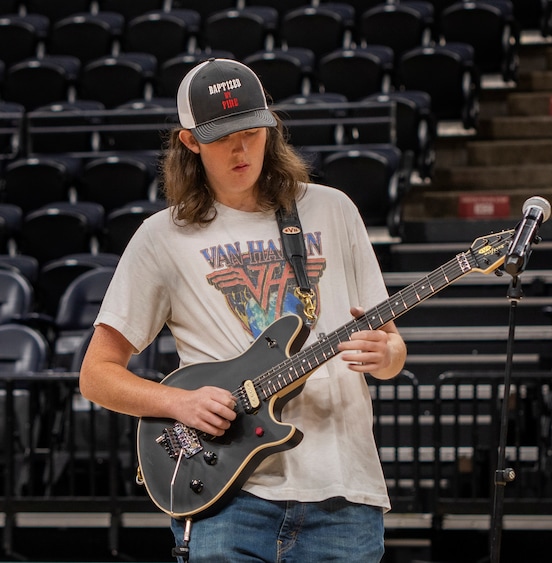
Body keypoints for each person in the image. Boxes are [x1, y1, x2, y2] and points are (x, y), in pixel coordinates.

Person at [79, 57, 407, 562]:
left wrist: (385, 357)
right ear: (189, 142)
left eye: (252, 132)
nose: (240, 148)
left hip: (344, 491)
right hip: (227, 497)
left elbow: (392, 347)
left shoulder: (332, 209)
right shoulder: (161, 237)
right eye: (222, 137)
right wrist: (178, 404)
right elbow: (96, 376)